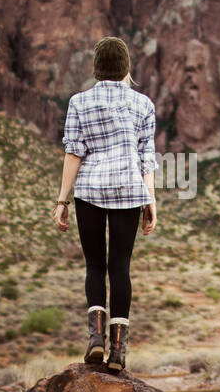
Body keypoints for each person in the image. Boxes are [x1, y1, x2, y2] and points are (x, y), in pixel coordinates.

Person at [51, 36, 158, 372]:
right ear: (126, 68)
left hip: (90, 191)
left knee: (95, 265)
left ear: (97, 68)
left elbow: (74, 153)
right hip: (129, 189)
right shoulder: (143, 104)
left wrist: (61, 199)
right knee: (120, 267)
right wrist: (150, 201)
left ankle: (95, 338)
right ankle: (118, 352)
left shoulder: (79, 102)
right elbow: (147, 159)